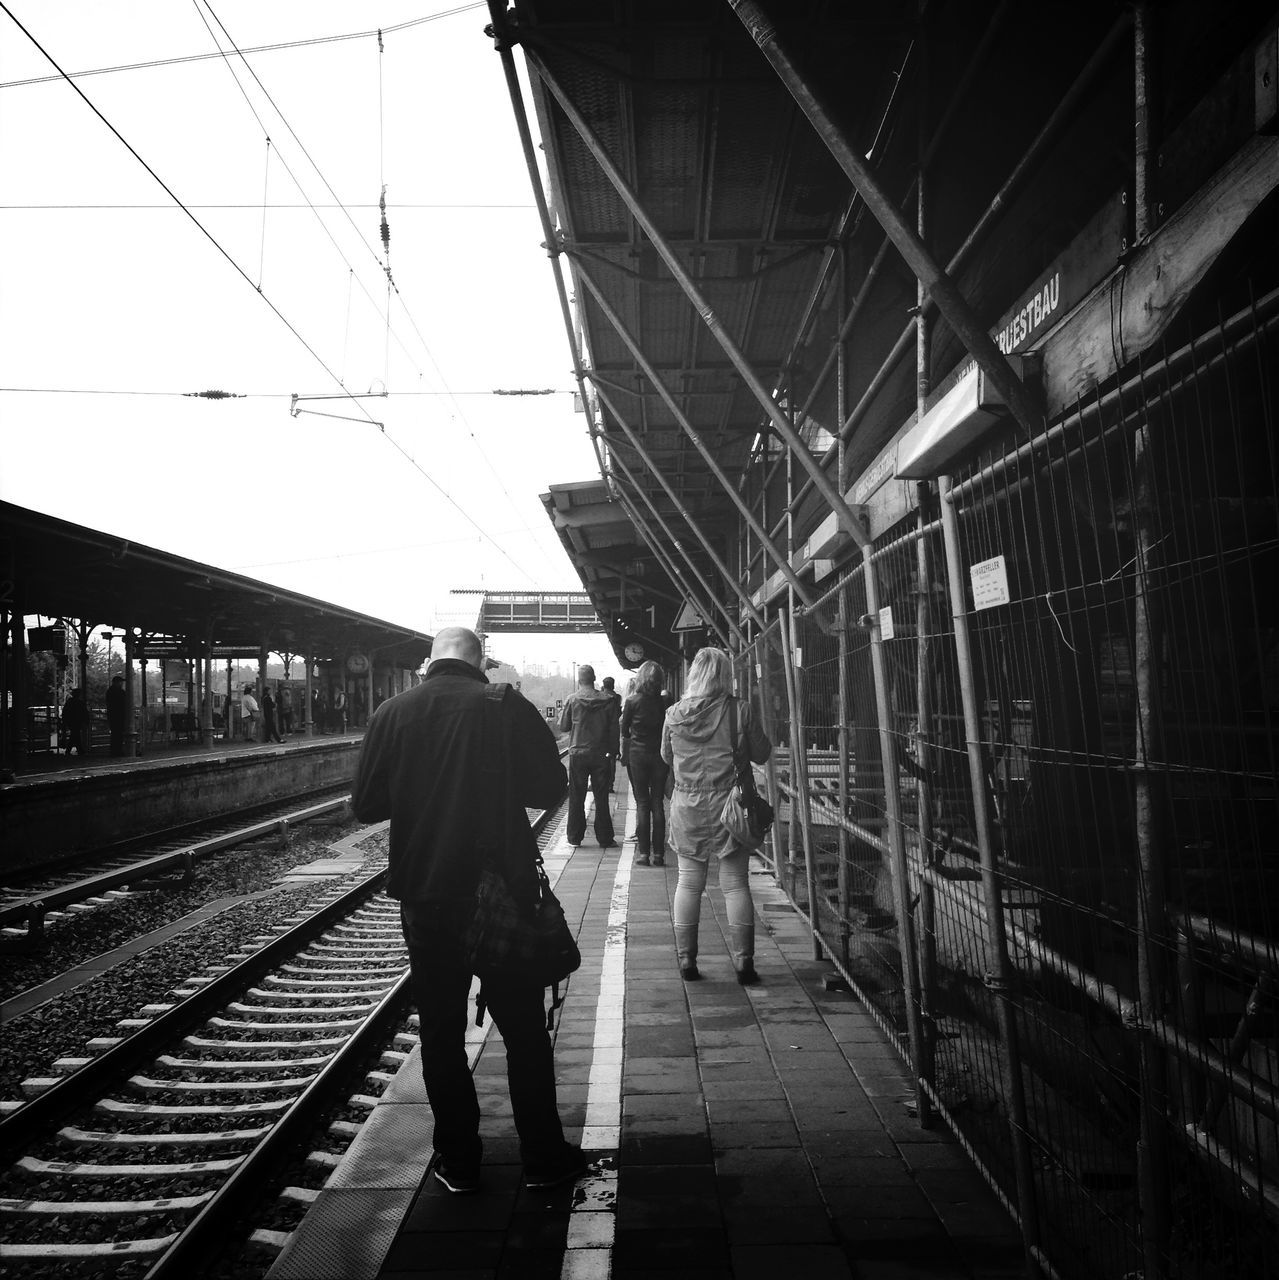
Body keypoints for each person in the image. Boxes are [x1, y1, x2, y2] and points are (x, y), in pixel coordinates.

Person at [351, 626, 585, 1194]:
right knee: (525, 1030)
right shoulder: (504, 705)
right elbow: (550, 787)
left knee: (440, 1031)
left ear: (431, 661)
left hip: (426, 895)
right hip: (498, 893)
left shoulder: (391, 712)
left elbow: (366, 805)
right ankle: (543, 1159)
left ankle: (458, 1161)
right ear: (480, 660)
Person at [661, 647, 771, 984]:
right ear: (725, 675)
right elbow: (762, 754)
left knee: (689, 884)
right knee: (735, 884)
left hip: (688, 807)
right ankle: (744, 964)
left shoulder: (673, 713)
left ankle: (687, 963)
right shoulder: (740, 710)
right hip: (731, 808)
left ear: (694, 674)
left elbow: (667, 756)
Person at [558, 664, 619, 848]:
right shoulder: (608, 700)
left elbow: (564, 727)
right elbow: (613, 728)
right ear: (594, 679)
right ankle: (605, 838)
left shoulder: (572, 700)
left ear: (579, 680)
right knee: (601, 797)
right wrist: (614, 750)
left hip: (578, 753)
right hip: (600, 753)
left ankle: (574, 837)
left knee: (577, 795)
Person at [621, 661, 672, 867]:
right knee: (657, 803)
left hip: (638, 756)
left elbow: (624, 731)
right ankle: (659, 854)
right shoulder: (666, 701)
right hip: (659, 756)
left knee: (642, 802)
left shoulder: (632, 701)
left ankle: (643, 854)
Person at [600, 676, 622, 792]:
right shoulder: (617, 697)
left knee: (600, 758)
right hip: (613, 730)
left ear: (603, 685)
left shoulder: (600, 696)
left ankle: (601, 782)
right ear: (613, 685)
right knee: (611, 758)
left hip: (600, 732)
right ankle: (610, 784)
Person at [61, 687, 89, 756]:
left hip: (71, 721)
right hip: (77, 721)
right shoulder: (79, 703)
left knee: (74, 735)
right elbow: (84, 712)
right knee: (75, 735)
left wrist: (65, 721)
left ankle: (75, 750)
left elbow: (65, 712)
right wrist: (86, 720)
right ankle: (78, 750)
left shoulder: (69, 702)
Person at [106, 673, 127, 757]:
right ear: (116, 682)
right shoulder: (118, 692)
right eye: (120, 682)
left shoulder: (110, 691)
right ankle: (117, 750)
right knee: (118, 734)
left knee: (116, 734)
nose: (122, 684)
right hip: (118, 716)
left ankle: (115, 750)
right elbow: (123, 702)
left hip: (113, 716)